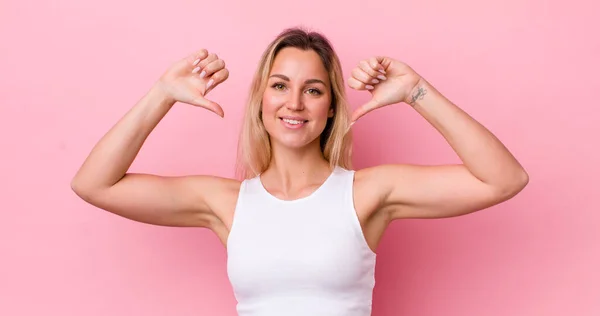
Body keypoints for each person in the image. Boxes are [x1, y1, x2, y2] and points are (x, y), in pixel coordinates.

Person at [71, 27, 529, 315]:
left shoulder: (368, 193)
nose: (294, 103)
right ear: (261, 101)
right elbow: (94, 184)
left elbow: (503, 179)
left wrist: (416, 92)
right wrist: (162, 93)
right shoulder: (225, 204)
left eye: (313, 90)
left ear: (331, 108)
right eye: (279, 86)